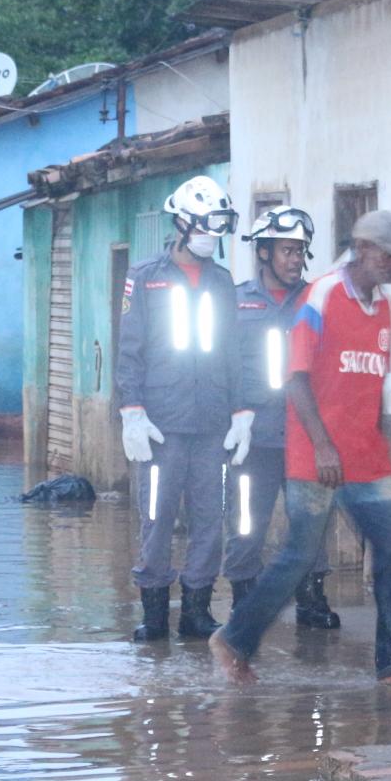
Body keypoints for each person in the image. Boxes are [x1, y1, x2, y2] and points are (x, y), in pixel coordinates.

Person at [212, 209, 391, 691]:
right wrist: (322, 446)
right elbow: (295, 379)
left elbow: (371, 385)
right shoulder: (322, 296)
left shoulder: (383, 307)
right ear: (362, 249)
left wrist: (376, 446)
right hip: (317, 456)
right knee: (299, 555)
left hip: (365, 456)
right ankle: (233, 640)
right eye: (389, 255)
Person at [116, 175, 254, 641]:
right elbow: (130, 349)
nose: (210, 239)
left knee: (210, 520)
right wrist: (131, 410)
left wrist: (241, 413)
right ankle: (155, 615)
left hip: (212, 424)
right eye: (204, 229)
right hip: (161, 426)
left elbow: (233, 353)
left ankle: (196, 610)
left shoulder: (220, 281)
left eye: (217, 232)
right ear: (180, 222)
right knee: (157, 520)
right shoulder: (145, 277)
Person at [225, 205, 341, 629]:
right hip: (251, 435)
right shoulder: (236, 301)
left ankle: (311, 597)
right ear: (264, 252)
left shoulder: (317, 301)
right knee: (244, 519)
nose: (294, 259)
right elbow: (223, 366)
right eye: (287, 250)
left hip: (305, 434)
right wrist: (233, 415)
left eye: (300, 251)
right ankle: (243, 596)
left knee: (310, 520)